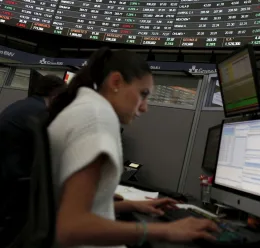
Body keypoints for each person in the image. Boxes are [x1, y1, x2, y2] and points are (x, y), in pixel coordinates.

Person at [48, 48, 218, 248]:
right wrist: (165, 231)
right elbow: (71, 227)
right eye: (143, 94)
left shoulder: (84, 109)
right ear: (116, 82)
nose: (145, 107)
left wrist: (133, 205)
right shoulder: (97, 119)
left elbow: (77, 206)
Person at [0, 74, 65, 246]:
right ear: (56, 96)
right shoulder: (40, 112)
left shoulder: (24, 104)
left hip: (6, 172)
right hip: (15, 178)